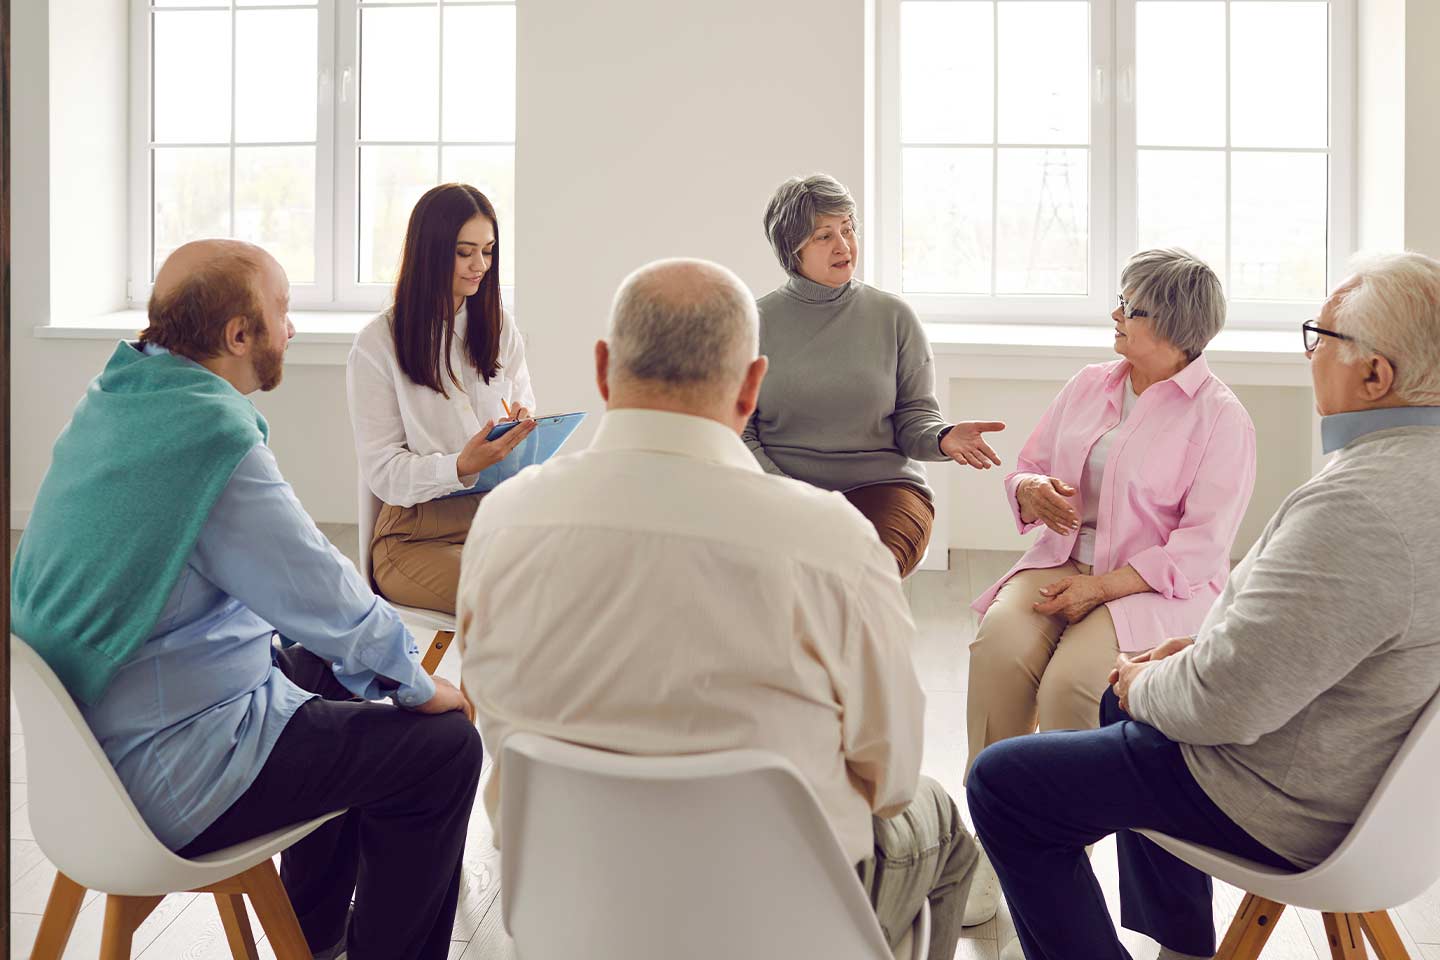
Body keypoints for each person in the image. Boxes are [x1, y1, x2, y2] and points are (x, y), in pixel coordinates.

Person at [458, 258, 983, 958]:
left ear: (603, 366)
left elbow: (495, 720)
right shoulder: (834, 544)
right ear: (752, 387)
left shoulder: (503, 521)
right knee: (940, 822)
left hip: (577, 908)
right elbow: (889, 776)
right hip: (783, 924)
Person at [11, 239, 483, 960]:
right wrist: (419, 686)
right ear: (238, 335)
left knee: (331, 675)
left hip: (96, 753)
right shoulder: (209, 441)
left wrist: (381, 670)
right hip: (173, 772)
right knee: (444, 748)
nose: (290, 329)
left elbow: (305, 603)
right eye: (283, 310)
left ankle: (313, 937)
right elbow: (319, 589)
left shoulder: (120, 401)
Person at [966, 251, 1440, 960]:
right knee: (1037, 670)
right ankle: (1178, 939)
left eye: (1323, 337)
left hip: (1282, 794)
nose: (1310, 353)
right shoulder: (1392, 481)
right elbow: (1305, 640)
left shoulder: (1354, 504)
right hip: (1351, 778)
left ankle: (1093, 881)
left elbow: (1224, 703)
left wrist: (1144, 677)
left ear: (1375, 374)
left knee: (1013, 776)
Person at [967, 249, 1255, 773]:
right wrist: (1028, 487)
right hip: (1063, 560)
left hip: (1149, 586)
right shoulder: (1089, 383)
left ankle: (1059, 834)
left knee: (1072, 686)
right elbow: (1029, 464)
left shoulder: (1221, 418)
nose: (1116, 315)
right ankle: (994, 810)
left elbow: (1202, 549)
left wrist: (1101, 588)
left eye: (1132, 307)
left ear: (1173, 326)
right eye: (1120, 301)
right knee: (998, 651)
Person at [743, 173, 1006, 577]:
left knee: (862, 578)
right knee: (783, 586)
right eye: (824, 236)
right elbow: (741, 431)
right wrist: (786, 493)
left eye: (848, 229)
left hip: (883, 488)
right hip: (785, 488)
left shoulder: (893, 317)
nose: (844, 246)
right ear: (791, 248)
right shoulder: (753, 324)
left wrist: (942, 437)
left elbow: (914, 418)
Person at [348, 182, 538, 614]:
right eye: (464, 251)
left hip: (494, 517)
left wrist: (524, 431)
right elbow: (383, 472)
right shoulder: (378, 344)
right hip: (414, 535)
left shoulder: (499, 327)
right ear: (431, 251)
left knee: (579, 583)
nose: (480, 265)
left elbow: (525, 414)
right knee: (516, 603)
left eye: (488, 251)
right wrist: (459, 466)